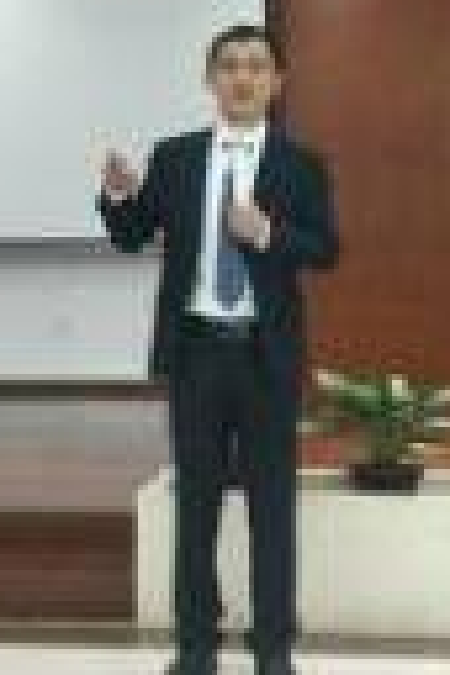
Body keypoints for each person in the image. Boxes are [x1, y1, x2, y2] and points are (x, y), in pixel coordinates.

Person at [96, 23, 339, 675]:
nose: (242, 77)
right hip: (196, 354)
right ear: (210, 79)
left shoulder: (301, 164)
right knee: (196, 508)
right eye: (229, 65)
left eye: (256, 66)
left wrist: (266, 233)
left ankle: (273, 649)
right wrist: (118, 196)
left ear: (277, 82)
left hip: (267, 358)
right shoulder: (175, 157)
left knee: (272, 510)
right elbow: (131, 234)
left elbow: (325, 249)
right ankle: (196, 647)